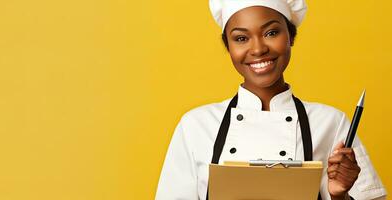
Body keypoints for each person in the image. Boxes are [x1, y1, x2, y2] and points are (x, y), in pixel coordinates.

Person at [155, 0, 387, 200]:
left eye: (271, 33)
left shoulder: (331, 123)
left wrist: (339, 196)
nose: (257, 49)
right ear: (228, 46)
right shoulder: (195, 126)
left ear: (291, 36)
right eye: (241, 38)